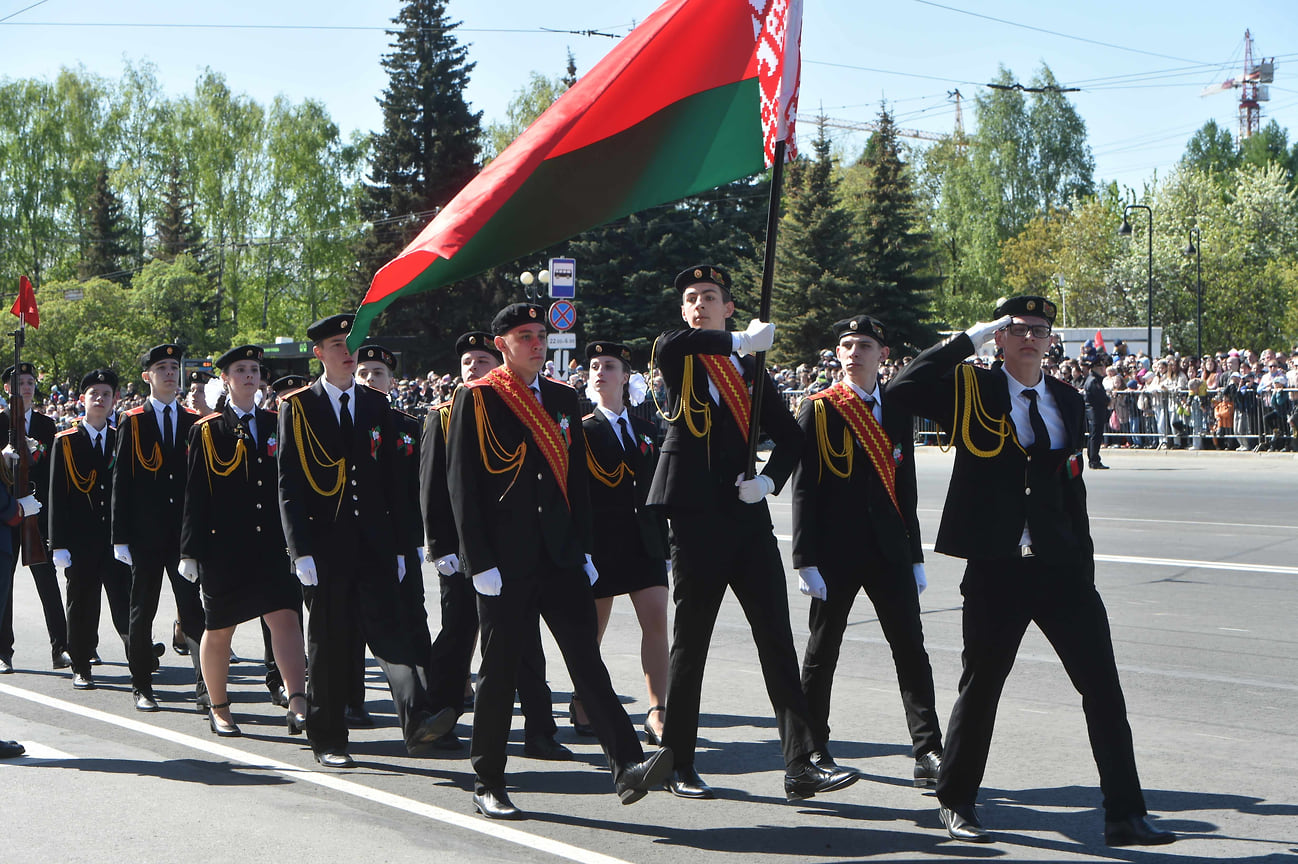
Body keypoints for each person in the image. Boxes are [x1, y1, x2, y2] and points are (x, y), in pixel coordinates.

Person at [887, 295, 1175, 847]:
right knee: (982, 688)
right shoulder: (972, 389)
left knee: (1104, 692)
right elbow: (902, 389)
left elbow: (1072, 488)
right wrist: (963, 341)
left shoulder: (1065, 399)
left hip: (1061, 568)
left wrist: (1083, 563)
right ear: (999, 338)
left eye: (1038, 330)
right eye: (1015, 329)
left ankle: (1124, 814)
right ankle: (956, 802)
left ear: (1049, 341)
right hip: (998, 568)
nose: (1027, 338)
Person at [446, 302, 672, 820]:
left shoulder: (563, 398)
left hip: (562, 554)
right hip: (504, 562)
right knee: (501, 672)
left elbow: (576, 482)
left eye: (540, 334)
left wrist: (586, 547)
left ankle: (628, 765)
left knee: (587, 663)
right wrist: (477, 560)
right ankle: (489, 779)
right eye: (524, 335)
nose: (535, 343)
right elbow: (464, 485)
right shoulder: (478, 398)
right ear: (501, 344)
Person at [646, 265, 857, 802]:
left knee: (776, 641)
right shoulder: (680, 356)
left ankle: (801, 764)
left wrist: (767, 480)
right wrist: (739, 340)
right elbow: (675, 345)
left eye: (709, 297)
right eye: (690, 298)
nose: (698, 304)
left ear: (729, 306)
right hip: (694, 520)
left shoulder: (750, 371)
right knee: (691, 645)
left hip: (745, 518)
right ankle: (679, 762)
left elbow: (791, 439)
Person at [276, 314, 452, 768]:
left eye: (349, 342)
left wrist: (400, 544)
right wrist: (301, 551)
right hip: (326, 546)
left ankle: (416, 721)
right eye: (336, 343)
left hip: (374, 542)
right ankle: (328, 737)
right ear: (318, 353)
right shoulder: (297, 407)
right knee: (331, 645)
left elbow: (392, 481)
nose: (346, 350)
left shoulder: (375, 404)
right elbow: (289, 483)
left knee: (393, 634)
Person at [790, 314, 944, 787]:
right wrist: (804, 559)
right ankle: (813, 749)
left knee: (911, 650)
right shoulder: (819, 409)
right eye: (846, 345)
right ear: (837, 355)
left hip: (889, 549)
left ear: (882, 354)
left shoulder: (896, 409)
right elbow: (804, 489)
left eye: (864, 345)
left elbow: (906, 485)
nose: (854, 352)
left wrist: (915, 553)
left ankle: (928, 750)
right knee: (822, 652)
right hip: (834, 554)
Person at [419, 331, 567, 758]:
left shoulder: (519, 407)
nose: (473, 369)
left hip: (507, 549)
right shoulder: (444, 414)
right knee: (459, 634)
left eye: (482, 361)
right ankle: (442, 716)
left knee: (524, 644)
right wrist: (440, 544)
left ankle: (540, 729)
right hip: (463, 552)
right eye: (467, 362)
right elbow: (437, 487)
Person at [180, 345, 307, 738]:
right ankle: (219, 706)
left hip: (271, 542)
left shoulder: (279, 422)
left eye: (254, 369)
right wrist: (190, 551)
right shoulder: (207, 429)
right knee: (219, 628)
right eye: (241, 369)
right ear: (226, 379)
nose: (250, 375)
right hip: (225, 546)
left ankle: (299, 702)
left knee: (285, 616)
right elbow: (195, 494)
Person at [580, 340, 670, 745]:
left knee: (655, 622)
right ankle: (586, 701)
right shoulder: (582, 430)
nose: (601, 372)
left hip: (644, 542)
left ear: (626, 376)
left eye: (610, 365)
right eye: (595, 366)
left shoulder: (648, 429)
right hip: (602, 545)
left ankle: (657, 710)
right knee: (592, 633)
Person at [112, 344, 207, 712]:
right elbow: (122, 481)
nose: (170, 373)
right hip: (145, 536)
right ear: (147, 376)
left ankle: (205, 688)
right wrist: (120, 537)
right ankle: (142, 685)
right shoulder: (133, 420)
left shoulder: (191, 422)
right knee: (142, 611)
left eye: (174, 367)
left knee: (193, 612)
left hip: (183, 536)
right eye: (162, 367)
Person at [351, 343, 430, 728]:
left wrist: (418, 542)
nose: (369, 380)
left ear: (391, 381)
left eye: (377, 374)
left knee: (414, 619)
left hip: (404, 539)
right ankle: (351, 701)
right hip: (362, 539)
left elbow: (416, 489)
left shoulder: (407, 425)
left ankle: (426, 709)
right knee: (355, 626)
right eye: (362, 373)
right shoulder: (349, 422)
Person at [48, 370, 131, 690]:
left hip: (114, 539)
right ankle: (81, 664)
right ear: (82, 399)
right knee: (82, 605)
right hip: (80, 541)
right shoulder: (66, 441)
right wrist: (58, 544)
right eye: (93, 393)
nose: (100, 398)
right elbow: (58, 495)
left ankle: (139, 656)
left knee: (125, 602)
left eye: (106, 394)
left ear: (115, 400)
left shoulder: (120, 437)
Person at [0, 361, 70, 674]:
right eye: (19, 382)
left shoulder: (45, 424)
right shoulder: (1, 422)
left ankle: (62, 648)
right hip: (5, 515)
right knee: (4, 586)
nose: (26, 387)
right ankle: (4, 652)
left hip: (37, 513)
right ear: (7, 389)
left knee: (48, 583)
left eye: (29, 382)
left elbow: (54, 472)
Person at [1084, 361, 1111, 469]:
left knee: (1094, 435)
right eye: (1101, 366)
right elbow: (1099, 396)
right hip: (1095, 410)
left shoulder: (1091, 379)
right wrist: (1107, 400)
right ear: (1096, 367)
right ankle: (1094, 460)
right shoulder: (1094, 380)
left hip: (1094, 410)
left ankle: (1093, 459)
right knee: (1095, 435)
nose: (1103, 369)